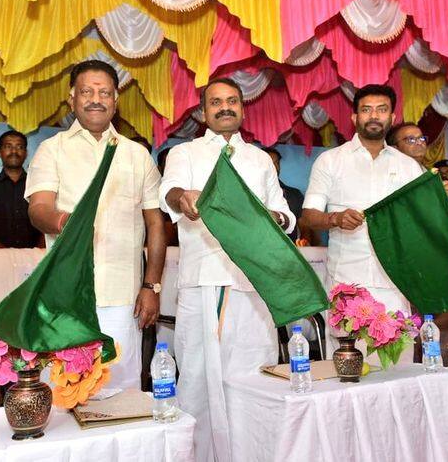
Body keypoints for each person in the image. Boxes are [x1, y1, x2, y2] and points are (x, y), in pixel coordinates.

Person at [159, 77, 295, 462]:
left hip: (254, 284)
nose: (224, 107)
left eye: (232, 101)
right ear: (203, 112)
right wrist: (182, 197)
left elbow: (286, 214)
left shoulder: (259, 159)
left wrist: (276, 219)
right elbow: (169, 193)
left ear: (243, 107)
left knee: (256, 372)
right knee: (200, 379)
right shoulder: (184, 154)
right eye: (215, 102)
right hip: (205, 280)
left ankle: (256, 452)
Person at [25, 60, 165, 390]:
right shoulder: (52, 149)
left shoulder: (136, 154)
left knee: (119, 390)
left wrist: (152, 286)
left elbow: (155, 224)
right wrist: (64, 221)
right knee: (64, 391)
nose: (95, 99)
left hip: (123, 295)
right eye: (87, 91)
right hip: (66, 293)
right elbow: (38, 208)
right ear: (72, 98)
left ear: (116, 99)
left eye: (104, 92)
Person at [301, 84, 423, 353]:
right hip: (347, 282)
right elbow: (308, 217)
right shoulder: (331, 160)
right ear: (355, 118)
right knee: (348, 367)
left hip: (394, 280)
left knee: (396, 366)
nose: (374, 116)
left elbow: (420, 222)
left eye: (382, 110)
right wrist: (335, 218)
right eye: (366, 110)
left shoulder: (408, 166)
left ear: (393, 118)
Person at [0, 130, 43, 251]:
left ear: (26, 153)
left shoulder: (39, 185)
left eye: (19, 147)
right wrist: (4, 253)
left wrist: (34, 253)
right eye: (8, 146)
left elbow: (46, 223)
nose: (14, 152)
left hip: (35, 259)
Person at [263, 147, 307, 243]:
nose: (275, 167)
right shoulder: (251, 192)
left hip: (289, 251)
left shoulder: (294, 194)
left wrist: (307, 248)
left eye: (277, 163)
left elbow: (304, 227)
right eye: (270, 163)